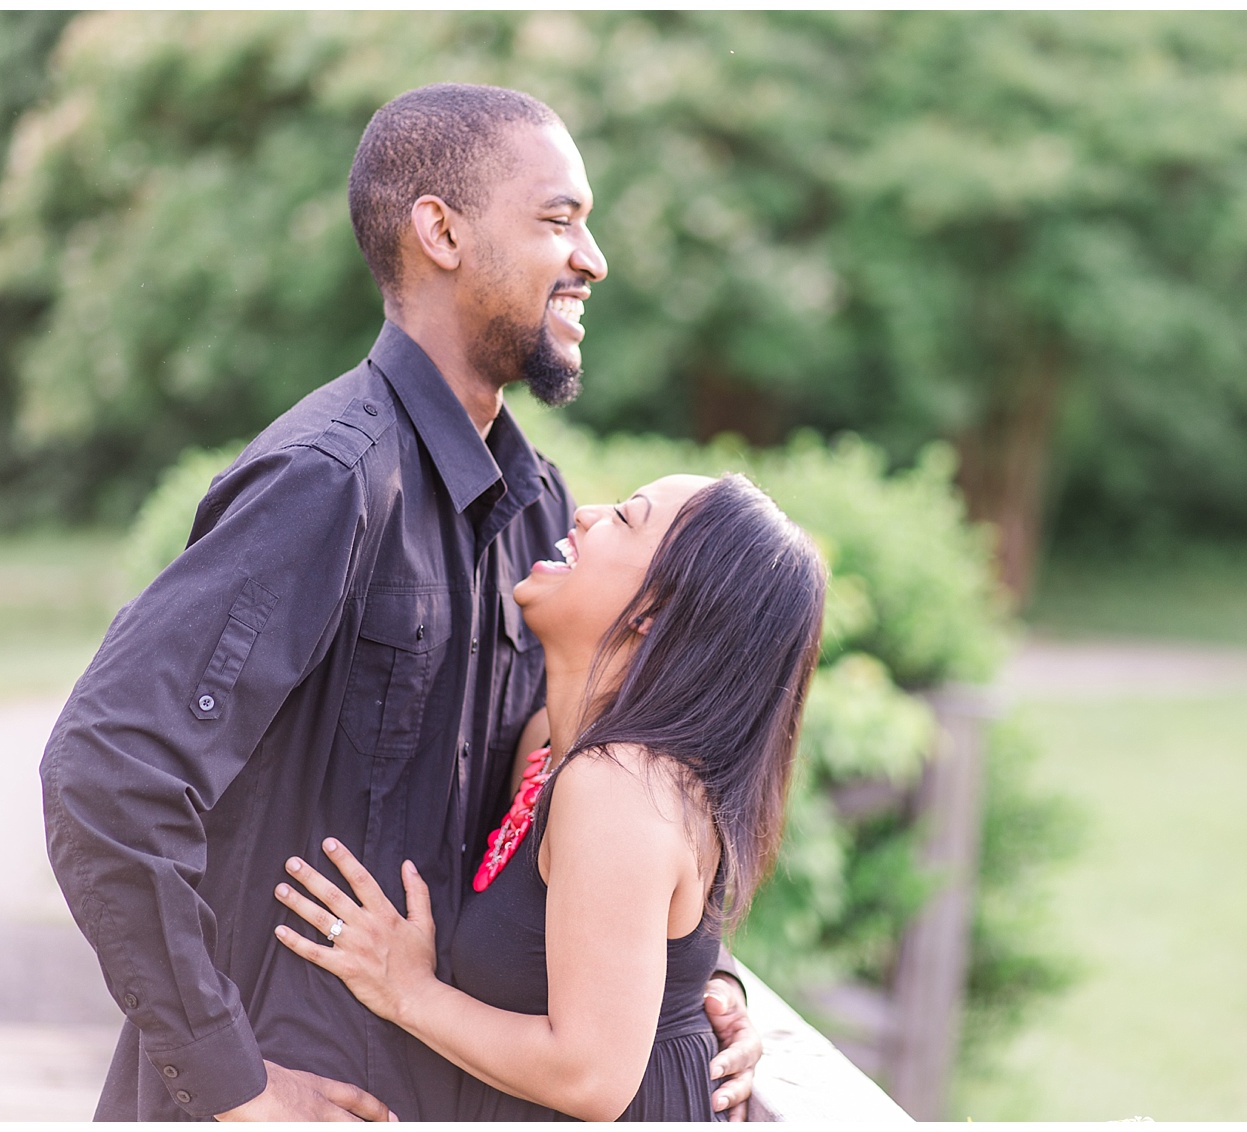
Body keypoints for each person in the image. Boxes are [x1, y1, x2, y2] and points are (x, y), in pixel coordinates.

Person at [39, 83, 760, 1121]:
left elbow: (577, 796)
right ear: (441, 231)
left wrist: (704, 981)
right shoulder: (326, 478)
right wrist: (231, 1085)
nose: (593, 259)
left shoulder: (539, 509)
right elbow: (104, 773)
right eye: (560, 221)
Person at [271, 472, 827, 1120]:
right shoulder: (554, 748)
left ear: (655, 614)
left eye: (625, 518)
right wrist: (717, 980)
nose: (587, 514)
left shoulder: (618, 786)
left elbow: (590, 1077)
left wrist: (407, 990)